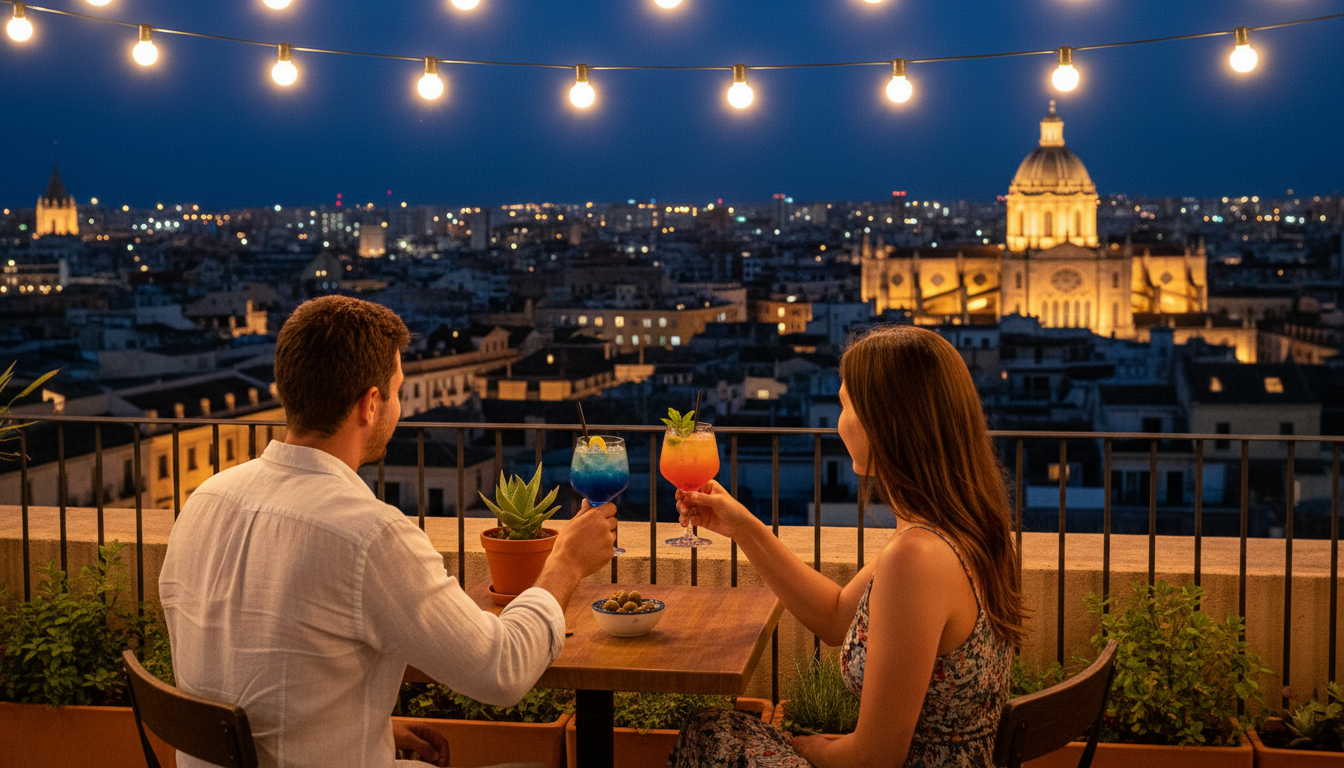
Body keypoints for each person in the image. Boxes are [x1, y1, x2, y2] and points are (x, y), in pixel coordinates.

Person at [159, 296, 618, 768]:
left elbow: (243, 669)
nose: (399, 407)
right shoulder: (368, 535)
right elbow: (501, 671)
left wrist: (362, 724)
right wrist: (565, 563)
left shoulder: (205, 501)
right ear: (371, 404)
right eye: (397, 391)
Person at [668, 325, 1026, 768]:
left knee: (710, 733)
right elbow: (837, 617)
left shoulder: (916, 558)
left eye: (844, 405)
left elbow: (874, 758)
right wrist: (744, 528)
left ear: (885, 421)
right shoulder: (958, 529)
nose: (838, 422)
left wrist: (806, 746)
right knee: (715, 730)